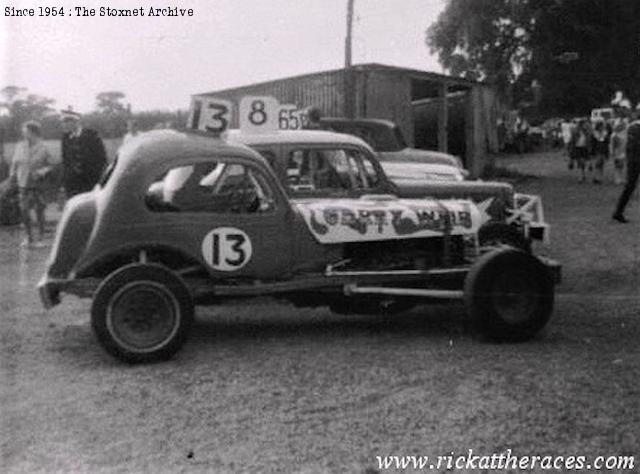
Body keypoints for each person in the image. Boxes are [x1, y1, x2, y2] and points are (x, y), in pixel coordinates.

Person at [9, 121, 53, 246]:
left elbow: (50, 165)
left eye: (26, 131)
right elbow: (14, 163)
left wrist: (41, 172)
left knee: (40, 211)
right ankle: (28, 237)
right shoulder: (19, 146)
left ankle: (41, 238)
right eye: (24, 131)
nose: (24, 133)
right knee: (24, 211)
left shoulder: (44, 147)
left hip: (38, 184)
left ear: (33, 132)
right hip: (23, 183)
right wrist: (12, 175)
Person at [60, 108, 107, 198]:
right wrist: (64, 181)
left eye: (66, 122)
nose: (63, 125)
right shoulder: (65, 138)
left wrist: (97, 180)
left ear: (75, 122)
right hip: (72, 183)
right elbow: (65, 160)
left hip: (90, 182)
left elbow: (102, 159)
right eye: (63, 122)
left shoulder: (92, 135)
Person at [612, 103, 640, 223]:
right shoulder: (634, 127)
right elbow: (633, 146)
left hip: (634, 159)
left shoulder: (633, 126)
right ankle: (618, 212)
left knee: (630, 186)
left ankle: (618, 212)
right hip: (635, 160)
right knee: (630, 186)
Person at [610, 120, 627, 185]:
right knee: (617, 166)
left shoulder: (623, 134)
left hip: (623, 152)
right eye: (622, 126)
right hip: (617, 153)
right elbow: (613, 145)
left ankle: (621, 178)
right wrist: (613, 153)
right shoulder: (614, 135)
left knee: (621, 166)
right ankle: (617, 179)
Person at [591, 119, 608, 184]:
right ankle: (596, 177)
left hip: (603, 150)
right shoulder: (594, 133)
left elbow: (606, 142)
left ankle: (600, 177)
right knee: (597, 164)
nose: (602, 127)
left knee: (601, 164)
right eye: (601, 126)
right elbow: (592, 143)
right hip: (597, 150)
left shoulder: (605, 133)